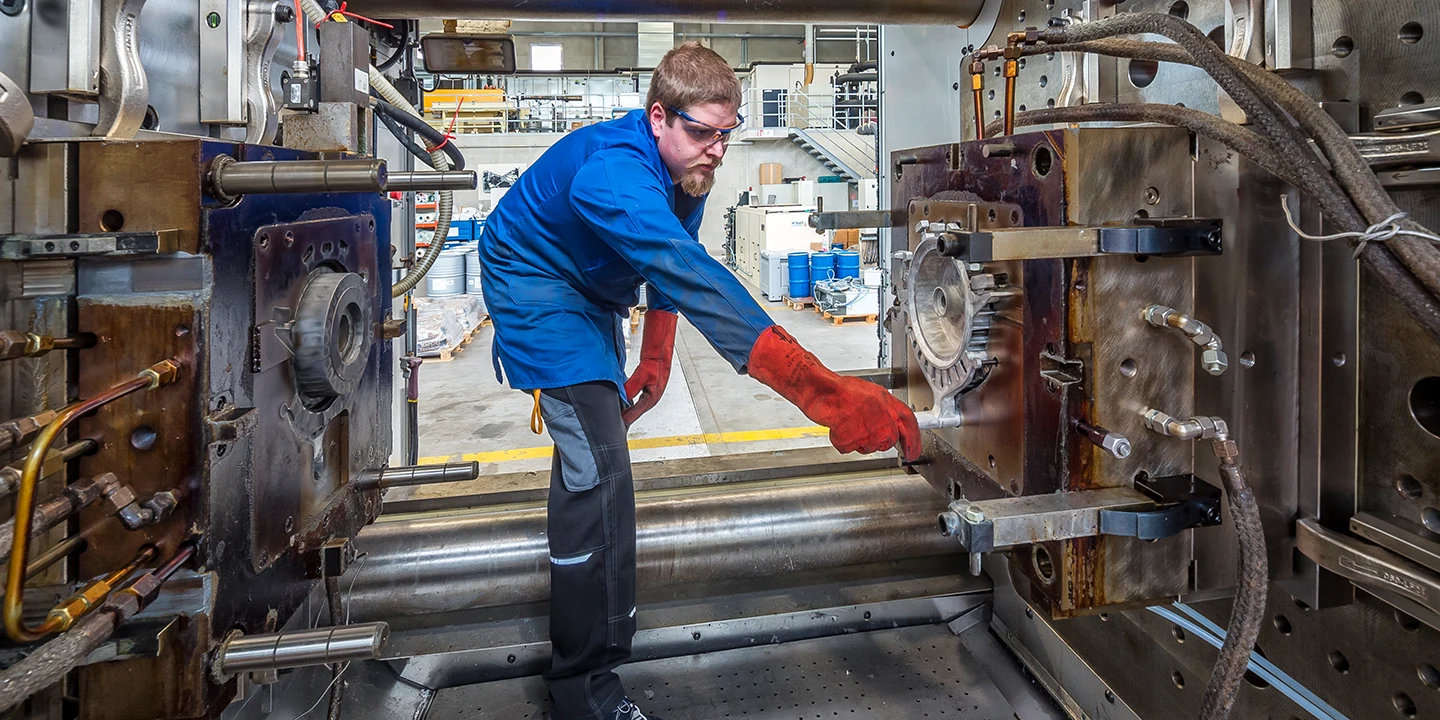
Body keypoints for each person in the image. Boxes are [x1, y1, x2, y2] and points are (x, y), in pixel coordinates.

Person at [478, 42, 921, 720]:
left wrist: (655, 356)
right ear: (658, 118)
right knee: (597, 471)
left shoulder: (687, 172)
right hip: (534, 281)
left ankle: (592, 655)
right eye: (700, 132)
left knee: (599, 460)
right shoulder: (612, 175)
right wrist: (821, 391)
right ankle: (581, 690)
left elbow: (671, 260)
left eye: (726, 133)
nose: (716, 149)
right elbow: (691, 273)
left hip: (590, 290)